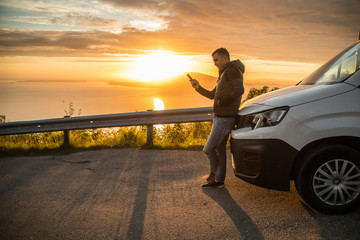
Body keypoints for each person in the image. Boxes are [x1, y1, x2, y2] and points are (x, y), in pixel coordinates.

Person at [189, 48, 245, 188]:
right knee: (219, 149)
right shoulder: (224, 73)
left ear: (225, 58)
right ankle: (219, 180)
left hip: (225, 118)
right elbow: (212, 95)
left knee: (208, 149)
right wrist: (198, 87)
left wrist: (223, 101)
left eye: (216, 60)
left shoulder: (232, 70)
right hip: (220, 117)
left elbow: (239, 90)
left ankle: (214, 174)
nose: (214, 63)